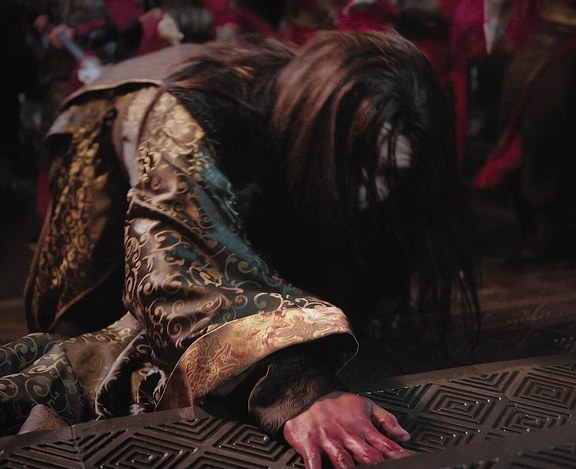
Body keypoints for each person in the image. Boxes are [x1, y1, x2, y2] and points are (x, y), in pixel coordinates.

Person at [1, 31, 480, 469]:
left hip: (263, 131)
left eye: (390, 174)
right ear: (323, 139)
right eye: (355, 165)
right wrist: (296, 390)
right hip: (136, 111)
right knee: (101, 340)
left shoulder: (345, 141)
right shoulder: (197, 115)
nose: (368, 194)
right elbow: (176, 264)